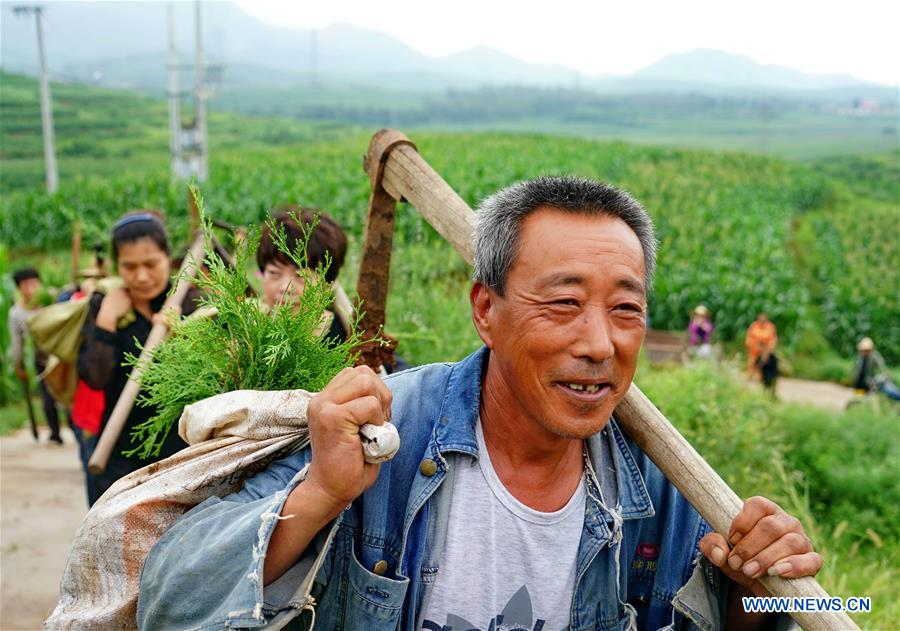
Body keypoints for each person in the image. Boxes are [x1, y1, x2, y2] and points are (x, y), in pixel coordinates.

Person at [139, 177, 820, 630]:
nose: (599, 343)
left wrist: (751, 595)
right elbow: (169, 599)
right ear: (485, 309)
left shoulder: (662, 490)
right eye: (563, 302)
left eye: (626, 309)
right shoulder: (385, 437)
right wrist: (318, 494)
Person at [77, 211, 199, 502]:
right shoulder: (105, 304)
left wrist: (181, 335)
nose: (141, 276)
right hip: (119, 452)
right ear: (116, 265)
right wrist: (106, 319)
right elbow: (94, 377)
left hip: (181, 452)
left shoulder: (190, 302)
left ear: (168, 259)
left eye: (151, 264)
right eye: (129, 267)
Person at [258, 207, 349, 345]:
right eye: (274, 273)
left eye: (302, 276)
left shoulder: (343, 339)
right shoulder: (244, 332)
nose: (285, 288)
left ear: (328, 284)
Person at [8, 267, 63, 445]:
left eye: (34, 283)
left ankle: (75, 426)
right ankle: (55, 433)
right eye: (26, 284)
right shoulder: (17, 314)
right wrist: (19, 365)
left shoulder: (52, 300)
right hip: (41, 359)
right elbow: (18, 343)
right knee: (48, 398)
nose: (32, 288)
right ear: (19, 288)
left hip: (62, 355)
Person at [744, 312, 777, 379]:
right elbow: (749, 337)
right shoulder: (754, 326)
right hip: (754, 350)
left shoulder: (770, 327)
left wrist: (769, 349)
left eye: (763, 320)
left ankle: (761, 378)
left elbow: (773, 339)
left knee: (763, 364)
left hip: (765, 351)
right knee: (752, 363)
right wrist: (751, 345)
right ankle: (749, 376)